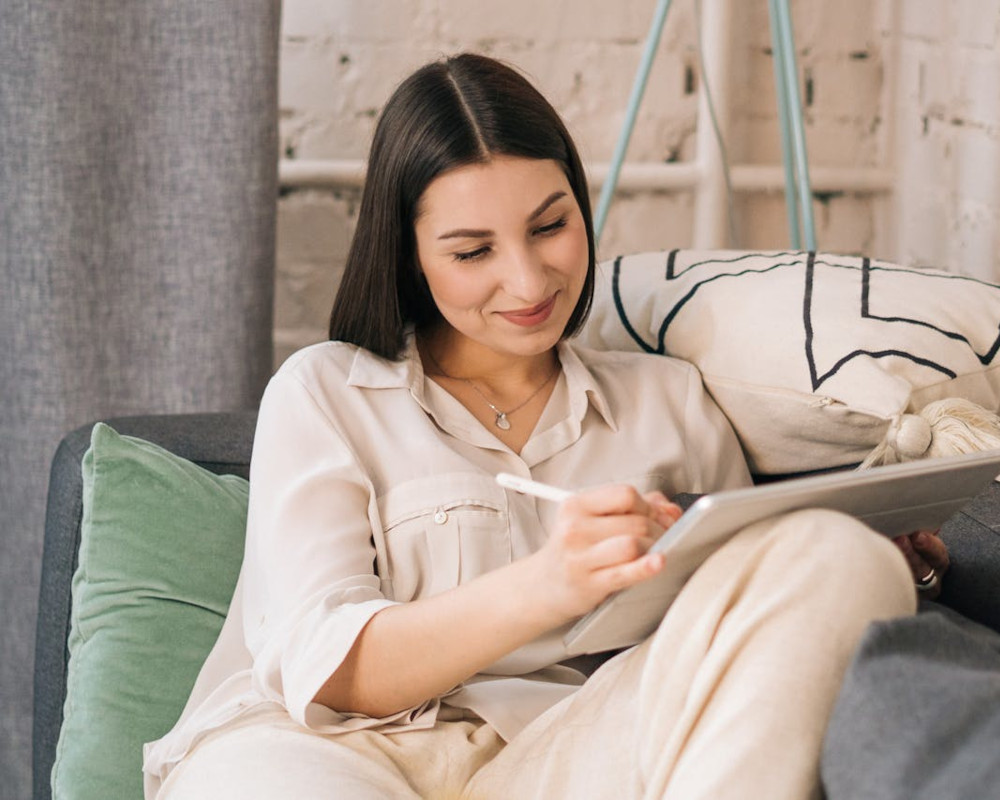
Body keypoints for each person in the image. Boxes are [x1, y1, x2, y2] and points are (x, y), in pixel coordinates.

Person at [143, 52, 948, 799]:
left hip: (558, 757)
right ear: (408, 255)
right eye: (472, 252)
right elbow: (339, 673)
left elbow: (724, 643)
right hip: (333, 756)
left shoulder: (668, 401)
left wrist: (882, 563)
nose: (528, 281)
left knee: (834, 556)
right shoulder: (326, 392)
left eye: (549, 226)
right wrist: (550, 582)